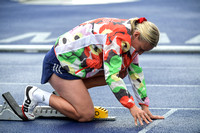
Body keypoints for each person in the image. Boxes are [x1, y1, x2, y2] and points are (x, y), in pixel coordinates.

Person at [22, 17, 164, 126]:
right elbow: (111, 77)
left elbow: (135, 73)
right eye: (141, 49)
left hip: (76, 67)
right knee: (85, 115)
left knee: (123, 70)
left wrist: (144, 106)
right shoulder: (117, 37)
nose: (140, 53)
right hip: (59, 64)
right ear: (137, 35)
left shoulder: (131, 34)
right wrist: (131, 106)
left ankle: (63, 93)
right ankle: (35, 94)